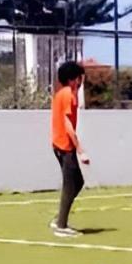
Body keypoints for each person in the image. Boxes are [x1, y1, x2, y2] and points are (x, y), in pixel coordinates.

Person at [49, 61, 89, 238]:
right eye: (79, 77)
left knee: (78, 182)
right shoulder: (67, 95)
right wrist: (80, 149)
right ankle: (61, 225)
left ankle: (60, 218)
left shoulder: (69, 94)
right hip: (64, 146)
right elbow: (67, 125)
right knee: (70, 184)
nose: (81, 81)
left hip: (64, 145)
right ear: (72, 79)